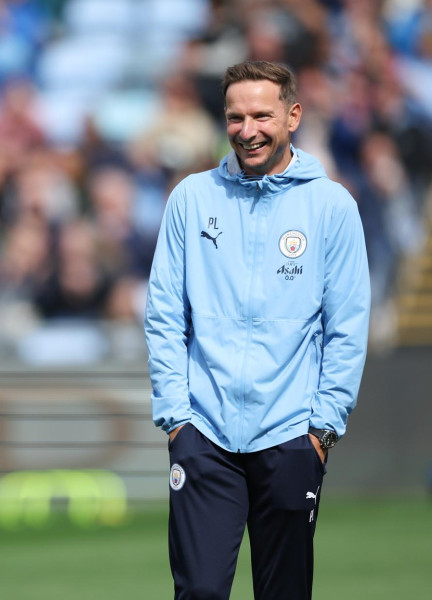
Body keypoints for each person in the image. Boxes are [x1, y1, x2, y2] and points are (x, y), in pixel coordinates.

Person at [144, 61, 370, 599]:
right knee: (198, 592)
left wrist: (321, 431)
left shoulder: (331, 206)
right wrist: (177, 419)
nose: (248, 130)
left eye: (262, 115)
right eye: (235, 117)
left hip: (292, 436)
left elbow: (348, 326)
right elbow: (164, 315)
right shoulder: (191, 199)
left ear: (292, 115)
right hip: (205, 435)